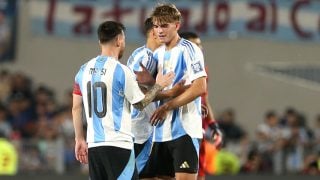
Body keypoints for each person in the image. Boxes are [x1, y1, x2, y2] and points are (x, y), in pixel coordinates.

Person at [72, 21, 174, 180]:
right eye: (124, 40)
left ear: (100, 41)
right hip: (119, 146)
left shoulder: (83, 70)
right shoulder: (121, 71)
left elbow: (76, 108)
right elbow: (140, 103)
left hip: (94, 148)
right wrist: (158, 85)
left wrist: (79, 139)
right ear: (119, 40)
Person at [134, 3, 206, 179]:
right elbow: (144, 96)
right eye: (157, 26)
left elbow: (200, 87)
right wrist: (155, 88)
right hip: (159, 133)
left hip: (184, 131)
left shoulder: (189, 49)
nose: (159, 30)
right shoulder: (156, 54)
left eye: (164, 25)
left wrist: (168, 106)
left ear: (177, 25)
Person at [179, 31, 223, 180]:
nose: (199, 49)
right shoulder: (175, 68)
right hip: (179, 132)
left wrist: (213, 124)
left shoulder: (202, 69)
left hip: (199, 129)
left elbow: (205, 98)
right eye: (195, 45)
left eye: (200, 45)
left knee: (200, 174)